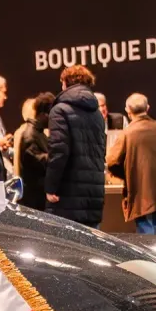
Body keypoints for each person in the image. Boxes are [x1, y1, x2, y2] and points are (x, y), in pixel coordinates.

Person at [46, 65, 108, 227]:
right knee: (91, 240)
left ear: (66, 82)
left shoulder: (59, 110)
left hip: (67, 195)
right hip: (94, 193)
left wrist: (51, 187)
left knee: (63, 241)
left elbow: (59, 150)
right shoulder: (97, 113)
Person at [106, 93, 156, 233]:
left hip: (140, 193)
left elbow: (111, 160)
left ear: (128, 110)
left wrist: (125, 175)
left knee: (146, 234)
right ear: (148, 107)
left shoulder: (127, 133)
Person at [15, 93, 54, 211]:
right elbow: (36, 160)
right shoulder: (30, 134)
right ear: (43, 114)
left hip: (37, 195)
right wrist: (58, 157)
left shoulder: (39, 133)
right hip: (33, 198)